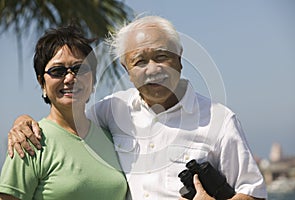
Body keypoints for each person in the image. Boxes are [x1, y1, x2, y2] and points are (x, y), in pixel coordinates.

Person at [6, 16, 267, 200]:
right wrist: (23, 121)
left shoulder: (220, 120)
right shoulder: (112, 110)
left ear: (179, 57)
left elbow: (254, 193)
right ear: (126, 69)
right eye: (139, 61)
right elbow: (65, 121)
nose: (152, 70)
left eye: (161, 56)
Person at [0, 25, 128, 200]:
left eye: (79, 69)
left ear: (93, 79)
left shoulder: (111, 137)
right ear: (42, 83)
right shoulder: (28, 141)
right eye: (57, 71)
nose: (69, 78)